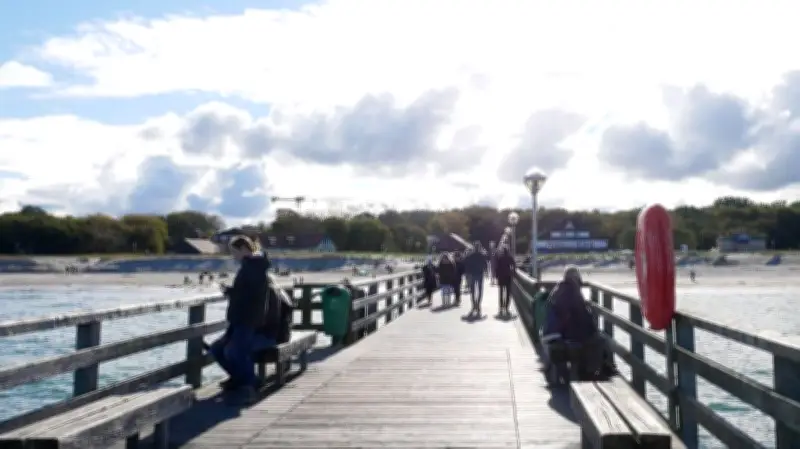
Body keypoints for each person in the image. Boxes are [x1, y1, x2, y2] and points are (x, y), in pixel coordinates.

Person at [209, 235, 270, 404]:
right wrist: (232, 291)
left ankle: (250, 385)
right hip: (239, 318)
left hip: (247, 318)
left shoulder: (254, 266)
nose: (233, 256)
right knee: (217, 349)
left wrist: (231, 292)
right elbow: (245, 291)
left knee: (238, 352)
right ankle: (239, 379)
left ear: (243, 249)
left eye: (234, 251)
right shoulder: (250, 266)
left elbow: (250, 294)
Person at [463, 242, 489, 316]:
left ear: (474, 247)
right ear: (480, 247)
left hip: (472, 275)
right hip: (480, 274)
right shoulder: (482, 255)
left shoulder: (470, 255)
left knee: (473, 291)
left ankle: (474, 305)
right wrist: (486, 272)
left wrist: (467, 274)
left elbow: (466, 264)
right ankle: (478, 305)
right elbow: (485, 264)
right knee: (480, 290)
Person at [495, 246, 516, 315]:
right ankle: (506, 307)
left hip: (501, 277)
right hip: (508, 276)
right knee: (508, 293)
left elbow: (497, 267)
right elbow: (514, 265)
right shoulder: (510, 257)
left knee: (501, 292)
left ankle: (501, 307)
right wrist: (513, 273)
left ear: (503, 252)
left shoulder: (500, 258)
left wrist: (496, 276)